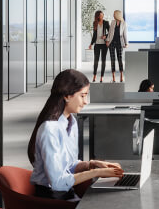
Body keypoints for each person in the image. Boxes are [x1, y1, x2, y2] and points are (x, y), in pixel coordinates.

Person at [28, 69, 123, 200]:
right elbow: (58, 183)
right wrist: (97, 172)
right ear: (67, 96)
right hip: (53, 200)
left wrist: (92, 164)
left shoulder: (71, 123)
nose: (86, 101)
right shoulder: (49, 129)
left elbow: (69, 166)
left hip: (67, 193)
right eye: (83, 95)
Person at [105, 9, 128, 83]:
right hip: (111, 42)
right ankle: (113, 77)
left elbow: (125, 34)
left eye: (114, 14)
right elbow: (110, 33)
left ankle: (121, 76)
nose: (113, 15)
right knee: (112, 59)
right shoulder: (112, 22)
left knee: (120, 59)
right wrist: (107, 41)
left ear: (117, 15)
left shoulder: (124, 23)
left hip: (119, 43)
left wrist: (126, 43)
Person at [87, 10, 110, 83]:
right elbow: (94, 35)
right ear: (97, 16)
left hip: (104, 45)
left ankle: (102, 77)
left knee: (103, 61)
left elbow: (110, 33)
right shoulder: (95, 23)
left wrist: (105, 36)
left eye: (102, 15)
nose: (101, 16)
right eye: (100, 15)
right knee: (96, 61)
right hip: (97, 44)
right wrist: (91, 44)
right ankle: (94, 75)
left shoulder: (106, 23)